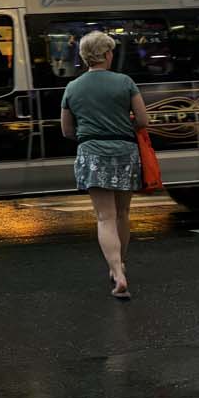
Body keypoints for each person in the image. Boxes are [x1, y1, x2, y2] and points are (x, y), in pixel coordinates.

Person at [60, 31, 150, 300]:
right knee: (122, 213)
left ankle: (118, 274)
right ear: (107, 54)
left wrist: (90, 134)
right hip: (124, 152)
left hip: (92, 153)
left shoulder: (73, 87)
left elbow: (67, 130)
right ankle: (119, 263)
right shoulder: (125, 82)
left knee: (104, 217)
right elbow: (143, 120)